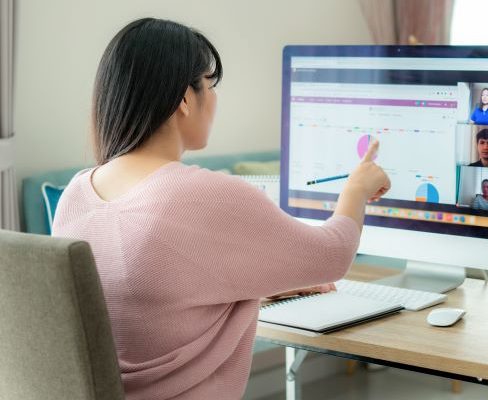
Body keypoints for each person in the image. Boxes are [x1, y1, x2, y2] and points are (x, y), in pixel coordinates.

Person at [51, 18, 390, 400]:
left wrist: (256, 288)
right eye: (210, 86)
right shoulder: (206, 195)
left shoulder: (75, 194)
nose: (214, 98)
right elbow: (333, 254)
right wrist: (357, 188)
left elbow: (138, 305)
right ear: (184, 99)